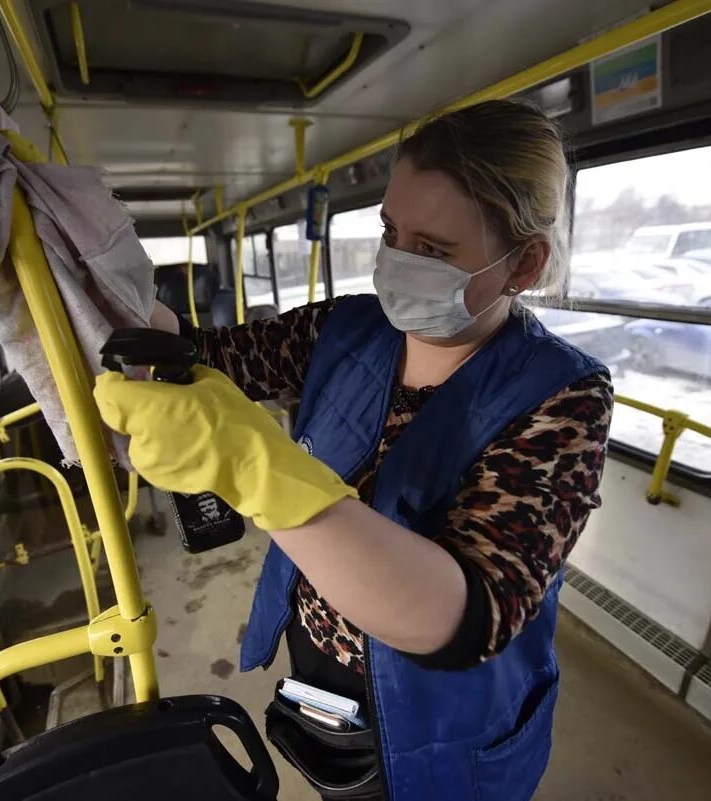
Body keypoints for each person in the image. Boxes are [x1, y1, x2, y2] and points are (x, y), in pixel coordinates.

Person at [95, 99, 614, 801]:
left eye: (432, 250)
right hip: (324, 667)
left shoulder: (564, 397)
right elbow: (206, 354)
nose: (397, 262)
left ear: (523, 264)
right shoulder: (347, 327)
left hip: (442, 710)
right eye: (390, 231)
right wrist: (99, 271)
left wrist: (257, 467)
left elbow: (466, 614)